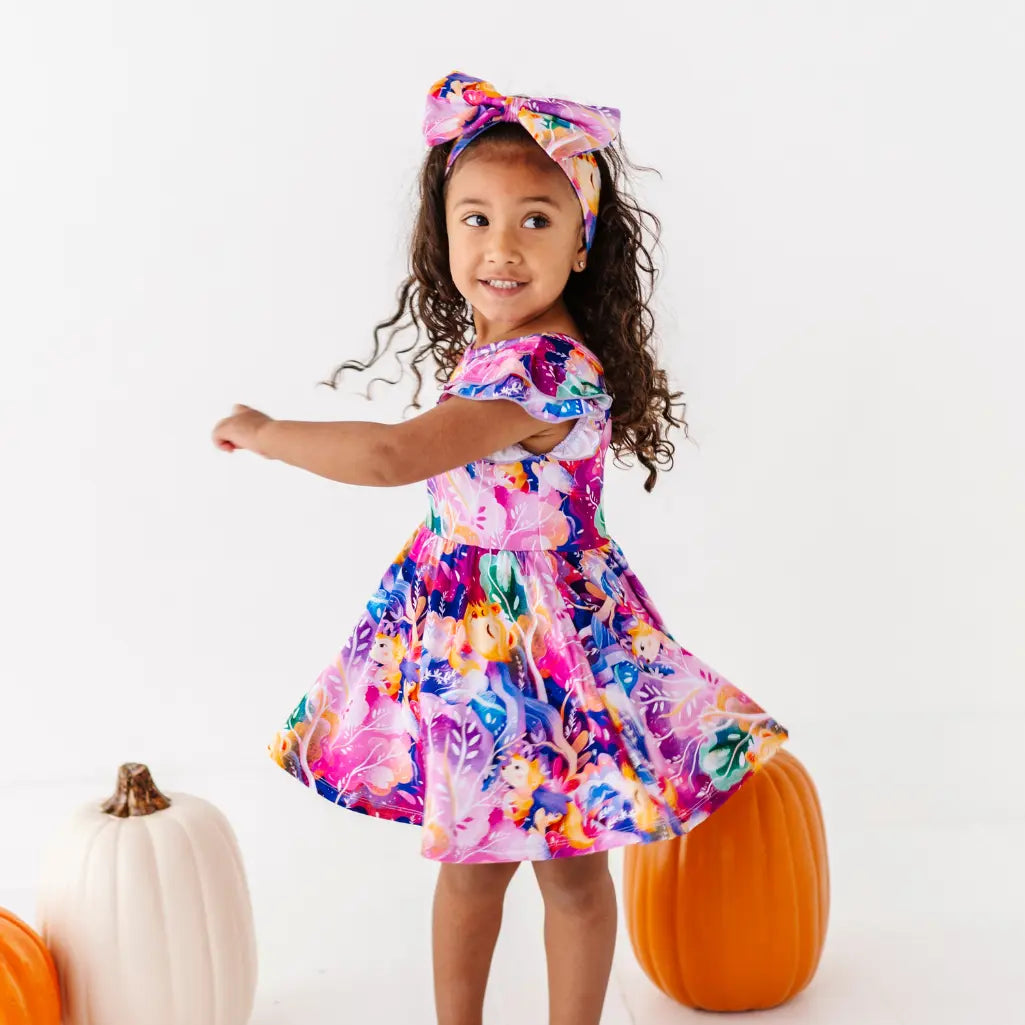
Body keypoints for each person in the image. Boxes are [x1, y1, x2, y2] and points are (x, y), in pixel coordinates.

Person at [212, 70, 790, 1025]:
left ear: (581, 243)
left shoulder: (544, 370)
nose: (500, 247)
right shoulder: (499, 352)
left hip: (542, 644)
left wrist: (267, 430)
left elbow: (397, 454)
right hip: (470, 637)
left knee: (566, 868)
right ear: (441, 235)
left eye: (534, 220)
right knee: (471, 863)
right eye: (474, 218)